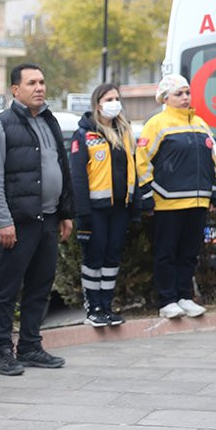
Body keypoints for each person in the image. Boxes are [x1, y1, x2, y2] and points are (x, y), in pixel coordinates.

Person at [0, 63, 74, 376]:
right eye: (32, 82)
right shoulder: (0, 125)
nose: (39, 87)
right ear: (15, 90)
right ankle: (2, 353)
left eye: (42, 81)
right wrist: (4, 221)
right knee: (8, 290)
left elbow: (61, 168)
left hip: (48, 220)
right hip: (17, 223)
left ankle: (31, 346)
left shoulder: (49, 122)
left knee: (40, 287)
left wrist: (65, 212)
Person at [136, 74, 216, 319]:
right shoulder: (156, 124)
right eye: (179, 94)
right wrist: (146, 195)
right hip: (168, 202)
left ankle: (185, 296)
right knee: (167, 253)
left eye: (187, 93)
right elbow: (142, 161)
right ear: (165, 98)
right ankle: (167, 301)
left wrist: (215, 191)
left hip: (198, 201)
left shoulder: (201, 124)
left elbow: (212, 161)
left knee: (189, 253)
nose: (185, 98)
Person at [69, 83, 140, 327]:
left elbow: (134, 170)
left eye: (117, 98)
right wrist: (83, 213)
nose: (114, 103)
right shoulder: (85, 134)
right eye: (109, 98)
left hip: (120, 208)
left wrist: (136, 205)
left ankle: (107, 306)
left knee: (112, 258)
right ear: (98, 103)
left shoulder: (125, 132)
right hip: (95, 211)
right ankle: (93, 307)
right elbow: (78, 177)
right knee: (94, 259)